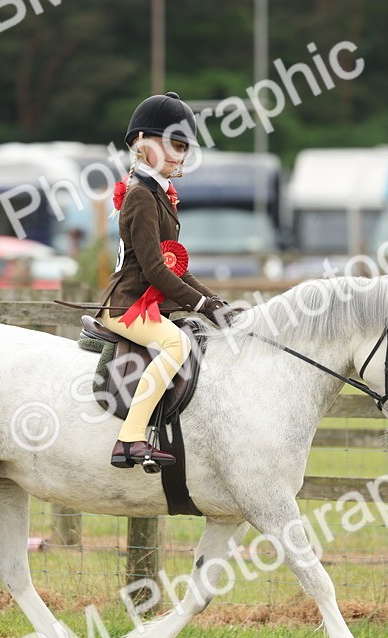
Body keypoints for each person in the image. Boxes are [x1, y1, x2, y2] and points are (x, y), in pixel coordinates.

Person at [96, 91, 240, 469]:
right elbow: (154, 270)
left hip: (145, 304)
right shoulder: (142, 196)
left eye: (184, 148)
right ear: (143, 144)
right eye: (175, 145)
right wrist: (200, 305)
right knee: (177, 346)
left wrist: (215, 302)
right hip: (126, 304)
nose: (181, 156)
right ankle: (129, 439)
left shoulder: (159, 194)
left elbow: (175, 265)